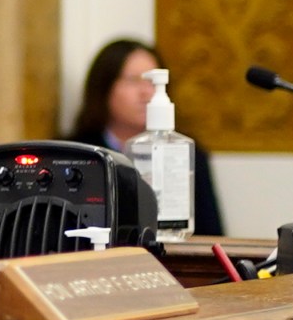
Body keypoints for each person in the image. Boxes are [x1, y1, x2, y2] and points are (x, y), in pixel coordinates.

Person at [66, 37, 224, 237]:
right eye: (132, 80)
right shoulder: (76, 153)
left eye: (151, 82)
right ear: (103, 88)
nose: (146, 92)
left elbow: (212, 235)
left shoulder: (185, 153)